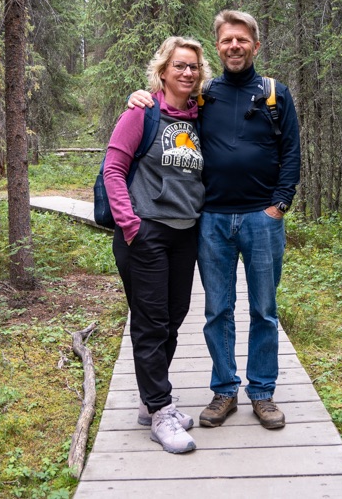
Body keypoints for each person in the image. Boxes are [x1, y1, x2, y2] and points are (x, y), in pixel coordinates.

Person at [129, 10, 301, 430]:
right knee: (217, 309)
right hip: (212, 220)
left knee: (264, 309)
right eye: (226, 40)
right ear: (218, 47)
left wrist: (279, 205)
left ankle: (262, 393)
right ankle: (225, 390)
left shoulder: (275, 94)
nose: (234, 46)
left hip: (262, 219)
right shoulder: (203, 96)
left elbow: (292, 154)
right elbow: (167, 105)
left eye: (241, 39)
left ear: (255, 45)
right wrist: (141, 96)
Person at [104, 36, 211, 453]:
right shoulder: (142, 112)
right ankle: (160, 410)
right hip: (146, 231)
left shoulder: (199, 116)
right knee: (150, 322)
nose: (187, 72)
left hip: (185, 233)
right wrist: (130, 225)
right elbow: (113, 169)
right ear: (163, 71)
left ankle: (152, 401)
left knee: (173, 317)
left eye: (193, 66)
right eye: (179, 65)